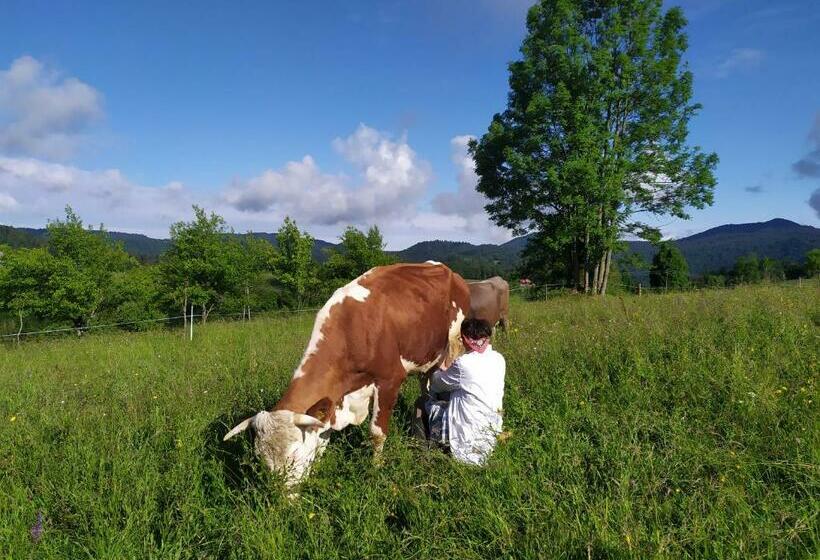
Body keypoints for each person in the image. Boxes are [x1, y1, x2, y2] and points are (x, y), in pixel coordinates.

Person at [413, 318, 506, 466]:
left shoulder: (464, 363)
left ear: (465, 339)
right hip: (490, 433)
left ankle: (423, 455)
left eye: (461, 338)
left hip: (465, 439)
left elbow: (437, 384)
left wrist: (440, 368)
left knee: (421, 403)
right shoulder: (499, 358)